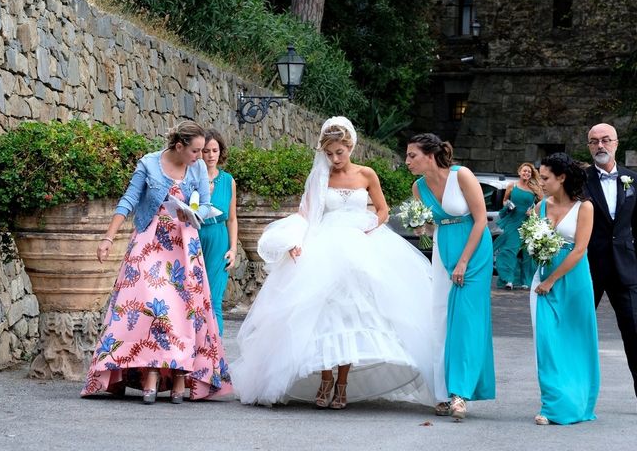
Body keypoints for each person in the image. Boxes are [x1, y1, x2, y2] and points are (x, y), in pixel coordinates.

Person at [230, 117, 447, 410]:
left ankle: (342, 383)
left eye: (339, 152)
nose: (334, 158)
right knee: (323, 316)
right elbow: (305, 214)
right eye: (329, 153)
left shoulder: (367, 174)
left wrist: (370, 226)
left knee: (353, 315)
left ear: (350, 147)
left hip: (361, 243)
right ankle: (325, 380)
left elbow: (382, 211)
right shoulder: (320, 177)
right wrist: (295, 240)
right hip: (325, 246)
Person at [81, 121, 233, 404]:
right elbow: (128, 200)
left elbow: (205, 202)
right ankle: (149, 371)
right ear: (179, 146)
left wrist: (194, 212)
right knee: (147, 305)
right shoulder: (149, 164)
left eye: (202, 151)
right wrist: (108, 238)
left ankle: (178, 374)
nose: (200, 157)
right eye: (195, 150)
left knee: (181, 310)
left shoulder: (198, 168)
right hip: (149, 242)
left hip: (184, 245)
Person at [406, 133, 495, 420]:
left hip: (474, 250)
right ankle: (442, 392)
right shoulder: (418, 188)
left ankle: (461, 394)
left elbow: (481, 219)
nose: (407, 161)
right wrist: (423, 229)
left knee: (467, 320)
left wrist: (464, 262)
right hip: (444, 251)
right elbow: (433, 226)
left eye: (412, 156)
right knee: (441, 318)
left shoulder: (462, 176)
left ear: (430, 155)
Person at [531, 152, 600, 425]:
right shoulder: (540, 207)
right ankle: (551, 405)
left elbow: (580, 249)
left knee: (576, 341)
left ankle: (579, 403)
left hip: (573, 280)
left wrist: (552, 279)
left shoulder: (585, 208)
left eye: (545, 177)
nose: (541, 182)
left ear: (562, 178)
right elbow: (532, 243)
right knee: (547, 343)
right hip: (543, 278)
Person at [584, 123, 637, 399]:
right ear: (589, 146)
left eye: (605, 140)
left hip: (626, 269)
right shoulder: (579, 180)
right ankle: (576, 395)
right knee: (579, 330)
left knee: (635, 333)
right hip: (588, 268)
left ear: (616, 143)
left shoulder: (633, 179)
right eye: (594, 141)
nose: (600, 146)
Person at [199, 128, 238, 336]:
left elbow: (232, 219)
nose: (211, 155)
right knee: (192, 298)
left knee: (214, 300)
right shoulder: (192, 178)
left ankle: (216, 358)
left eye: (214, 150)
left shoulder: (228, 180)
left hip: (218, 239)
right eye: (206, 151)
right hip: (194, 237)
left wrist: (233, 248)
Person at [493, 163, 543, 290]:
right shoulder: (512, 186)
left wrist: (533, 211)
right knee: (509, 251)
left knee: (527, 253)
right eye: (524, 171)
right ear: (519, 172)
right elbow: (504, 200)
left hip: (528, 224)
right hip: (513, 222)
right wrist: (508, 204)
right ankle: (508, 279)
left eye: (529, 172)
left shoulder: (534, 189)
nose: (526, 173)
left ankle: (526, 280)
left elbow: (543, 204)